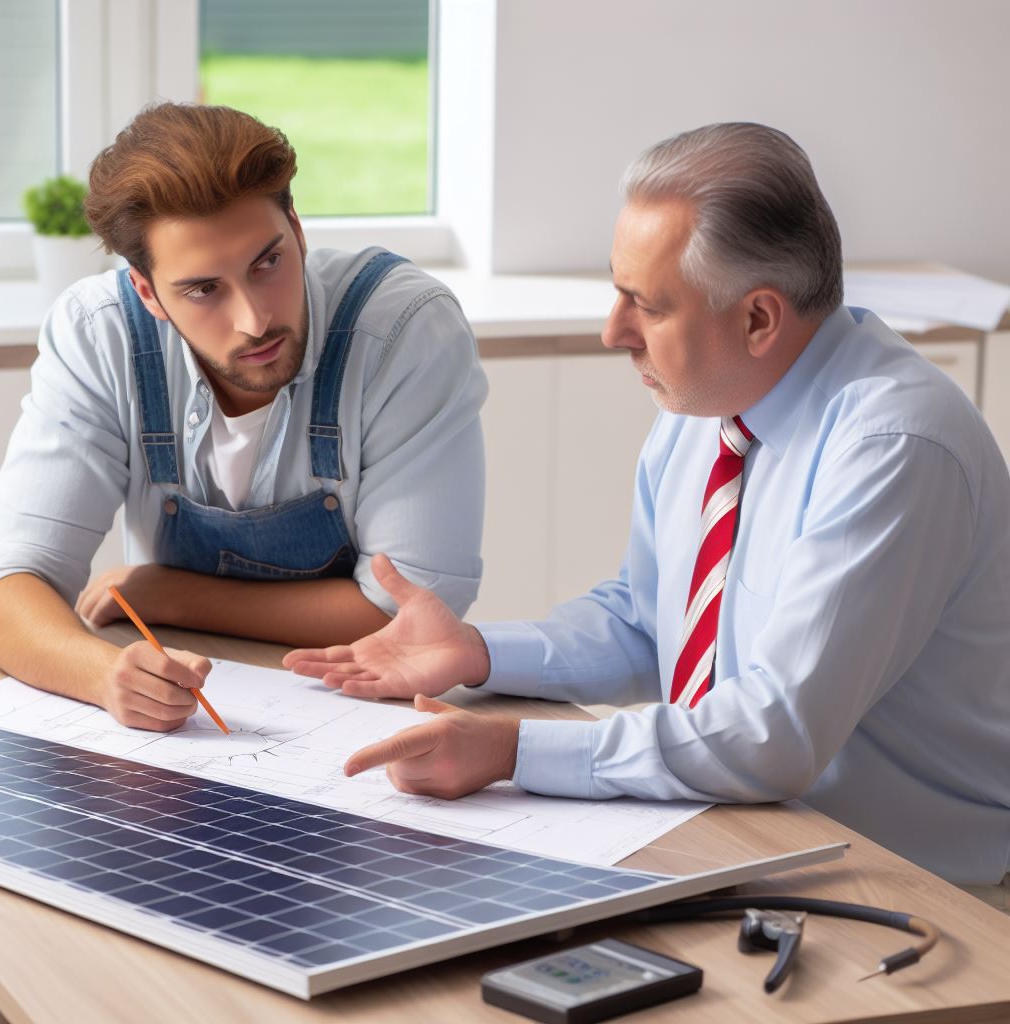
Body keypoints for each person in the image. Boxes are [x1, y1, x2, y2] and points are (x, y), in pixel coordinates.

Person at [285, 122, 1010, 891]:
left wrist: (511, 751)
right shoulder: (708, 407)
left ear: (759, 318)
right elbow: (646, 616)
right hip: (746, 833)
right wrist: (479, 652)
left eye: (647, 305)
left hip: (917, 886)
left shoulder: (894, 447)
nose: (612, 331)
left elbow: (774, 734)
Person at [0, 102, 487, 734]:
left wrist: (168, 593)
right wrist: (101, 674)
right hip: (190, 727)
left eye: (267, 263)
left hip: (366, 718)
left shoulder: (403, 329)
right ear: (148, 293)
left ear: (298, 230)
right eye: (203, 290)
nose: (253, 319)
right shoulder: (99, 333)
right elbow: (7, 585)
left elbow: (411, 612)